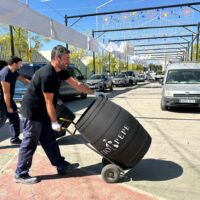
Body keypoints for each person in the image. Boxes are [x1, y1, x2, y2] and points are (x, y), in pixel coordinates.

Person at [15, 45, 96, 184]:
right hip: (32, 112)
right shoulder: (47, 74)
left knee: (49, 140)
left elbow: (76, 83)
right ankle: (20, 173)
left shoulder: (60, 71)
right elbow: (49, 102)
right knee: (30, 142)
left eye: (68, 58)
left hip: (43, 111)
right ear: (57, 58)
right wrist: (54, 122)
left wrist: (94, 93)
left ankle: (60, 165)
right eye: (66, 58)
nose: (68, 61)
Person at [0, 56, 30, 144]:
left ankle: (14, 139)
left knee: (15, 119)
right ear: (14, 64)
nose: (21, 65)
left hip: (7, 98)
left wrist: (34, 84)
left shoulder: (13, 72)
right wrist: (8, 107)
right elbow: (6, 93)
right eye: (20, 64)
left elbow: (23, 80)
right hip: (2, 99)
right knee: (1, 119)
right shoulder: (5, 73)